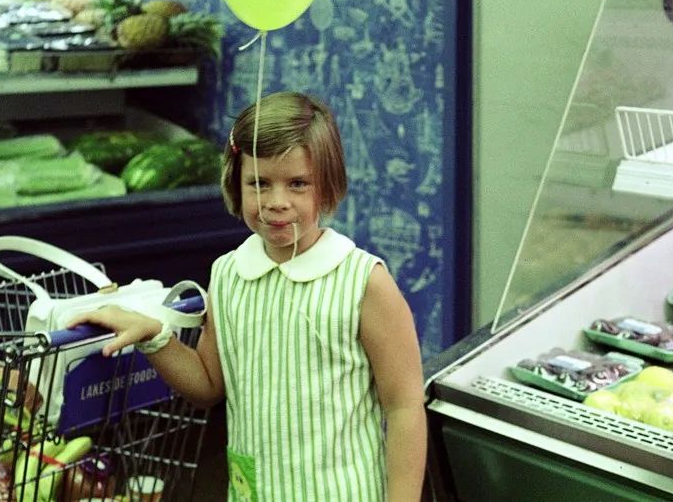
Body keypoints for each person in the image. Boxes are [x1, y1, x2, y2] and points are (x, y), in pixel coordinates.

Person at [69, 91, 426, 501]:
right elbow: (207, 384)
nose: (277, 202)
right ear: (235, 186)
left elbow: (404, 408)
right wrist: (153, 334)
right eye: (259, 183)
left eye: (297, 184)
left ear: (327, 186)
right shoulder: (228, 274)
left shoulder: (363, 281)